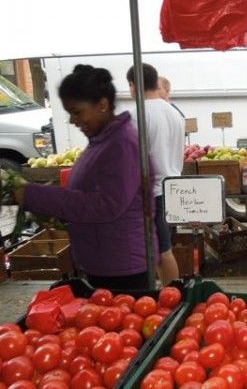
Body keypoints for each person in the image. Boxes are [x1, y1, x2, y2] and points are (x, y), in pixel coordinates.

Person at [14, 64, 158, 290]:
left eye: (77, 112)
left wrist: (35, 196)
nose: (73, 121)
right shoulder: (105, 140)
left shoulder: (121, 144)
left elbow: (107, 204)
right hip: (105, 260)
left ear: (102, 104)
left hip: (120, 267)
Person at [127, 64, 184, 286]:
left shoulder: (136, 115)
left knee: (162, 251)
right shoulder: (174, 112)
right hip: (172, 188)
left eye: (130, 86)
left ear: (134, 85)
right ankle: (170, 291)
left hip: (152, 192)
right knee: (161, 247)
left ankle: (174, 296)